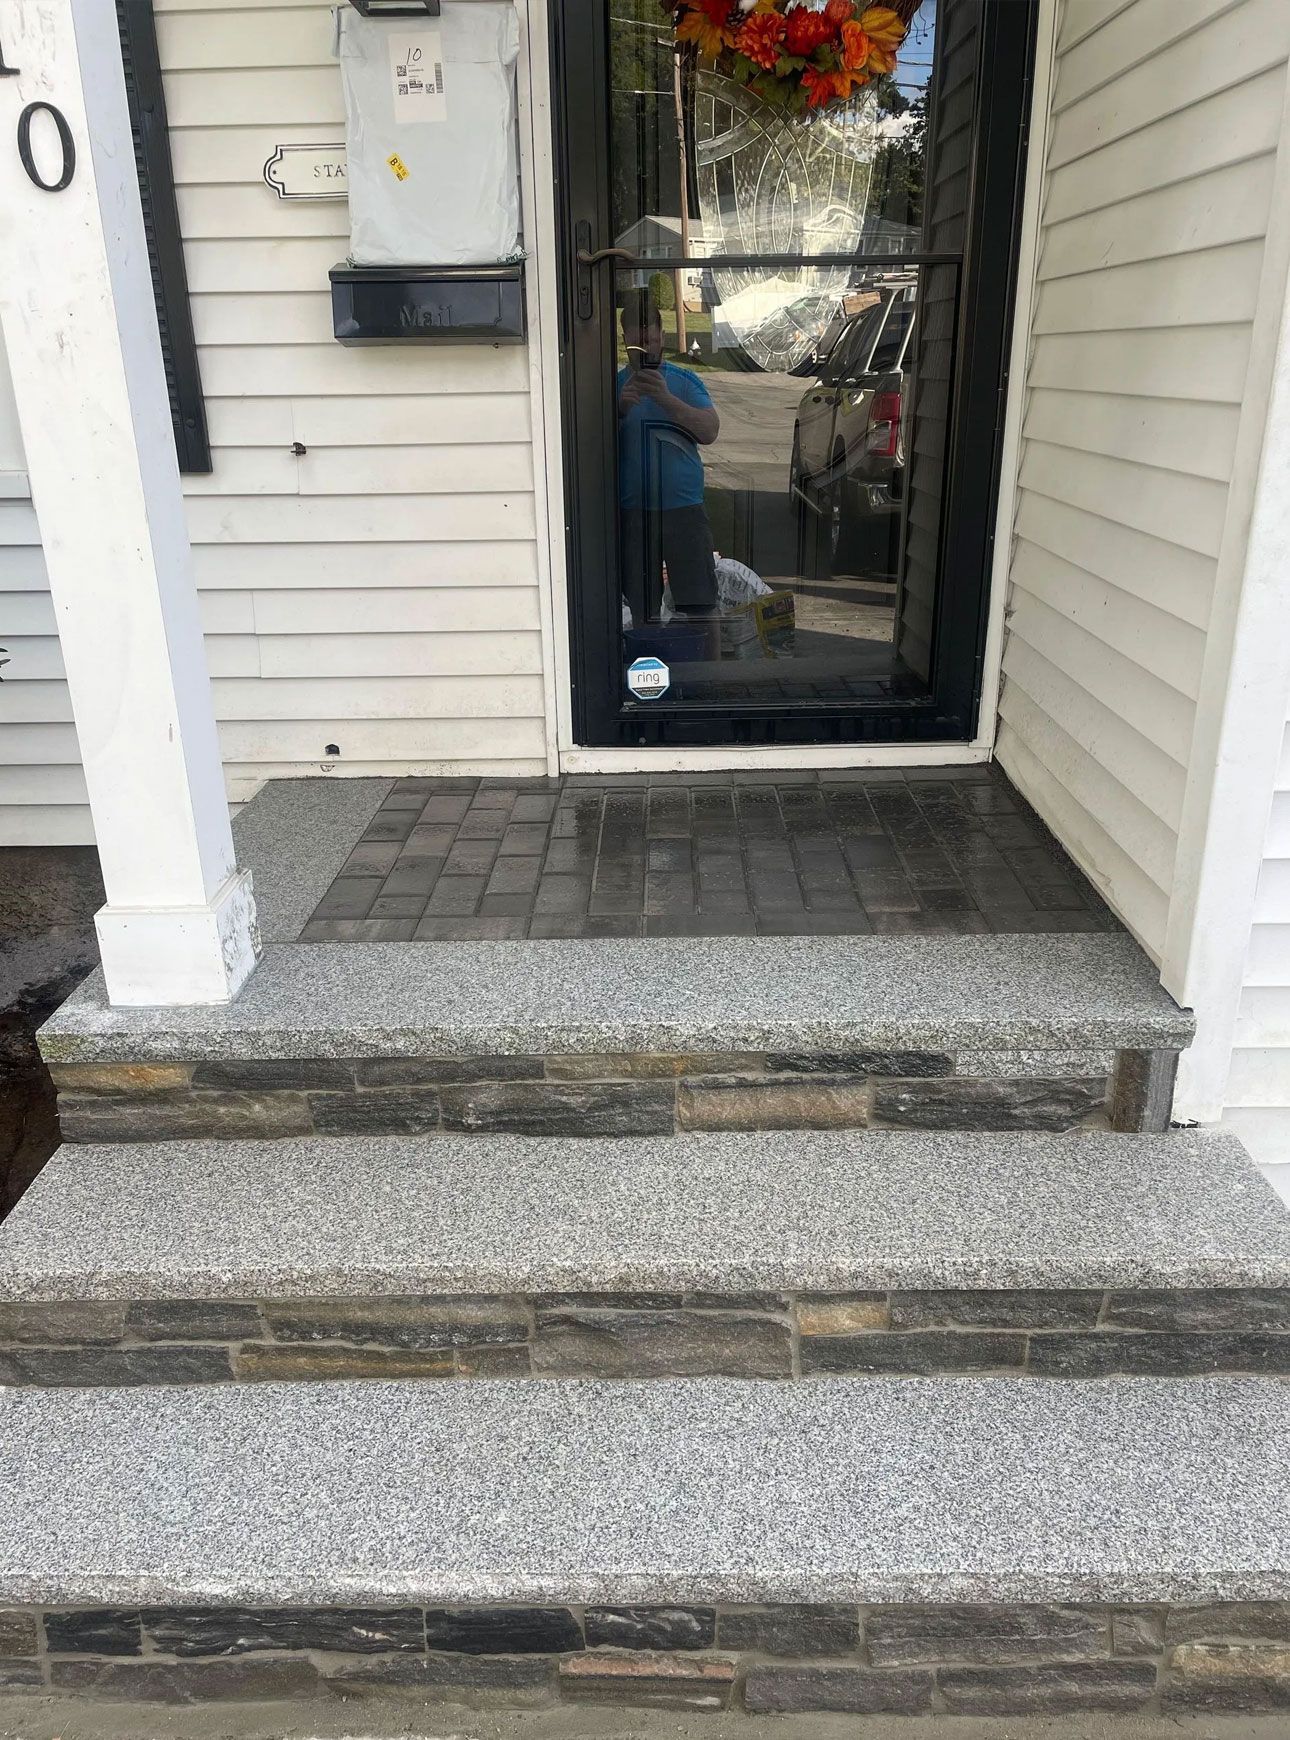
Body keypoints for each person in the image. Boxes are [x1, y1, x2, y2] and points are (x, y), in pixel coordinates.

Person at [617, 289, 721, 631]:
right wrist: (617, 411)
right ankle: (649, 672)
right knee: (642, 606)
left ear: (663, 336)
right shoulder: (614, 386)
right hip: (635, 514)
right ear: (625, 339)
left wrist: (664, 398)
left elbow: (709, 431)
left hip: (684, 511)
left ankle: (707, 677)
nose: (647, 347)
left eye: (652, 337)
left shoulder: (684, 380)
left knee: (701, 605)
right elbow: (586, 449)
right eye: (638, 340)